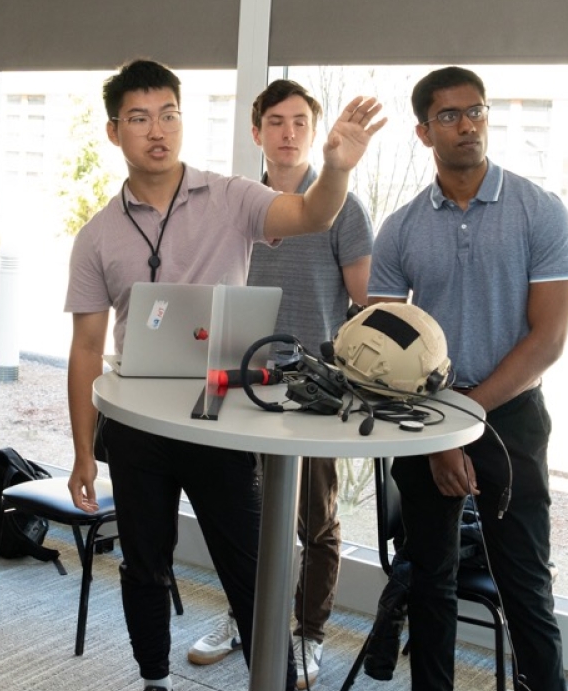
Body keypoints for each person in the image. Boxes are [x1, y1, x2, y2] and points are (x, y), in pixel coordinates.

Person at [64, 59, 385, 691]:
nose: (157, 130)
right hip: (136, 430)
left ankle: (276, 679)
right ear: (113, 132)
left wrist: (340, 168)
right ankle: (153, 678)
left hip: (221, 421)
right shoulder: (97, 236)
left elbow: (312, 215)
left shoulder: (234, 198)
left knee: (252, 572)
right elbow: (85, 349)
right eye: (139, 118)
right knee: (144, 567)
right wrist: (82, 452)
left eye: (169, 114)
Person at [368, 66, 568, 691]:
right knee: (430, 582)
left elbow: (549, 340)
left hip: (510, 415)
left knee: (524, 584)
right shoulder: (400, 228)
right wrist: (441, 432)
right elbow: (383, 348)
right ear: (423, 131)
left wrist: (463, 425)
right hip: (426, 419)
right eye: (450, 116)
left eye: (477, 111)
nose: (467, 125)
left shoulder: (540, 211)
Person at [187, 79, 374, 690]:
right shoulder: (238, 201)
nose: (288, 132)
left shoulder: (342, 205)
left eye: (299, 122)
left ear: (313, 134)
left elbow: (366, 304)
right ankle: (248, 619)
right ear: (257, 131)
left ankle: (308, 633)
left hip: (314, 386)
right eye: (276, 122)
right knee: (248, 513)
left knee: (314, 520)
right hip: (244, 377)